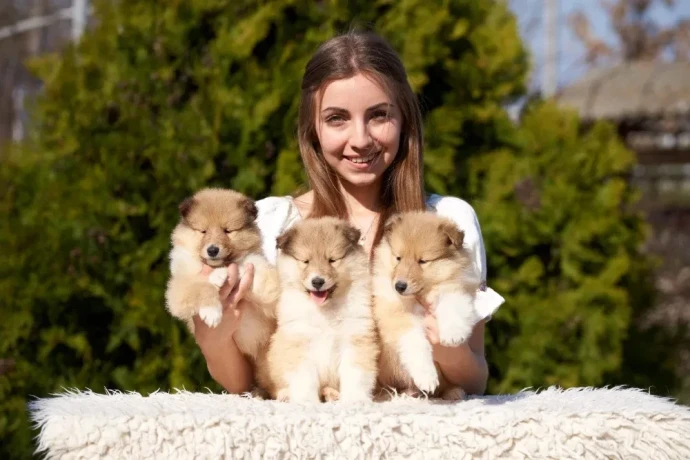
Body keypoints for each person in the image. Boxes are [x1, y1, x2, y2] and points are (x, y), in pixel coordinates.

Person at [194, 30, 504, 396]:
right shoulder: (273, 224)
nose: (360, 139)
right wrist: (214, 340)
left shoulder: (444, 222)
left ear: (404, 118)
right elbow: (248, 383)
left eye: (378, 115)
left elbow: (474, 379)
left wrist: (443, 346)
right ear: (313, 129)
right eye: (337, 118)